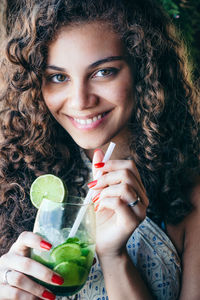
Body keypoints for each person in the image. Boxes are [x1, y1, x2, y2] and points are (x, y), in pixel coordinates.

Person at [0, 0, 199, 299]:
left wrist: (113, 255)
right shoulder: (11, 182)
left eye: (103, 72)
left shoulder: (191, 196)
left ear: (144, 69)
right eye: (58, 77)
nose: (80, 101)